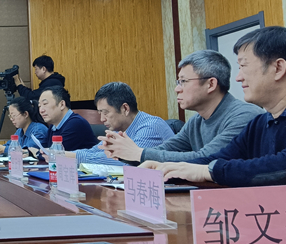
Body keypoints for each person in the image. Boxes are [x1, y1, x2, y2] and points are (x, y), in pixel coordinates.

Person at [145, 27, 286, 186]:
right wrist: (167, 168)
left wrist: (209, 171)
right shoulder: (259, 124)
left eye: (243, 66)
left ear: (278, 68)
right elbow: (218, 158)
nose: (238, 78)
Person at [100, 50, 262, 163]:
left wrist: (139, 153)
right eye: (178, 82)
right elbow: (166, 150)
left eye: (183, 81)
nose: (177, 89)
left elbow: (205, 158)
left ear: (211, 84)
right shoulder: (196, 121)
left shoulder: (244, 116)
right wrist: (121, 151)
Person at [68, 82, 174, 166]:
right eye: (100, 113)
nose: (102, 119)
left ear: (125, 109)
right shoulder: (118, 130)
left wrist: (68, 157)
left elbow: (127, 161)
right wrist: (61, 155)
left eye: (105, 113)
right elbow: (93, 151)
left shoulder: (151, 127)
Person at [38, 86, 99, 151]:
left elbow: (57, 153)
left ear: (62, 105)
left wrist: (37, 152)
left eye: (45, 104)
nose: (41, 110)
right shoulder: (53, 127)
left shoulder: (76, 123)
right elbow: (43, 150)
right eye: (39, 106)